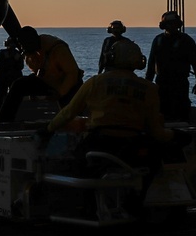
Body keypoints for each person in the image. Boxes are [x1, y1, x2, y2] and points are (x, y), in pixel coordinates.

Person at [38, 39, 182, 180]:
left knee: (77, 171)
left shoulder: (96, 82)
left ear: (111, 58)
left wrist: (48, 129)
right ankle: (138, 200)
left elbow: (68, 112)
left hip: (98, 144)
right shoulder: (150, 89)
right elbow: (156, 131)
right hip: (131, 146)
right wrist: (176, 135)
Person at [0, 26, 83, 122]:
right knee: (18, 85)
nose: (22, 48)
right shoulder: (29, 53)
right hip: (48, 80)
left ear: (31, 41)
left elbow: (72, 73)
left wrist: (60, 92)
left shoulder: (57, 48)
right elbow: (39, 70)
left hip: (69, 84)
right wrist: (33, 88)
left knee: (70, 117)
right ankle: (4, 120)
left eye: (24, 44)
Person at [145, 11, 196, 123]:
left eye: (173, 24)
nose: (171, 26)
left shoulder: (186, 40)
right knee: (162, 111)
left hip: (179, 81)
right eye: (169, 24)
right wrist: (148, 82)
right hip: (162, 82)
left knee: (181, 110)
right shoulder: (158, 40)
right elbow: (151, 63)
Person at [0, 38, 24, 121]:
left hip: (6, 79)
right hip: (5, 79)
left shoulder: (10, 54)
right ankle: (1, 117)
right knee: (3, 99)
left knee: (2, 99)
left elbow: (20, 66)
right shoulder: (12, 54)